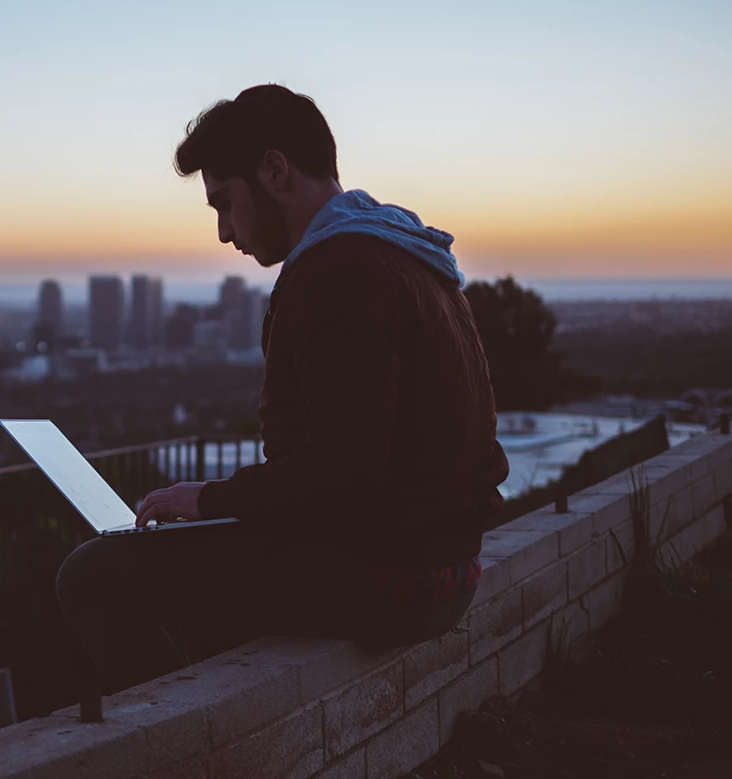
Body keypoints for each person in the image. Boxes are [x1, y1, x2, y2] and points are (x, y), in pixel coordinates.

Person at [56, 84, 510, 694]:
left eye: (224, 203)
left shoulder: (340, 269)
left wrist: (210, 500)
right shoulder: (406, 253)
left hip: (393, 578)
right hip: (445, 566)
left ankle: (185, 744)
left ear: (274, 170)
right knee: (199, 570)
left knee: (91, 575)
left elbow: (343, 470)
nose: (223, 232)